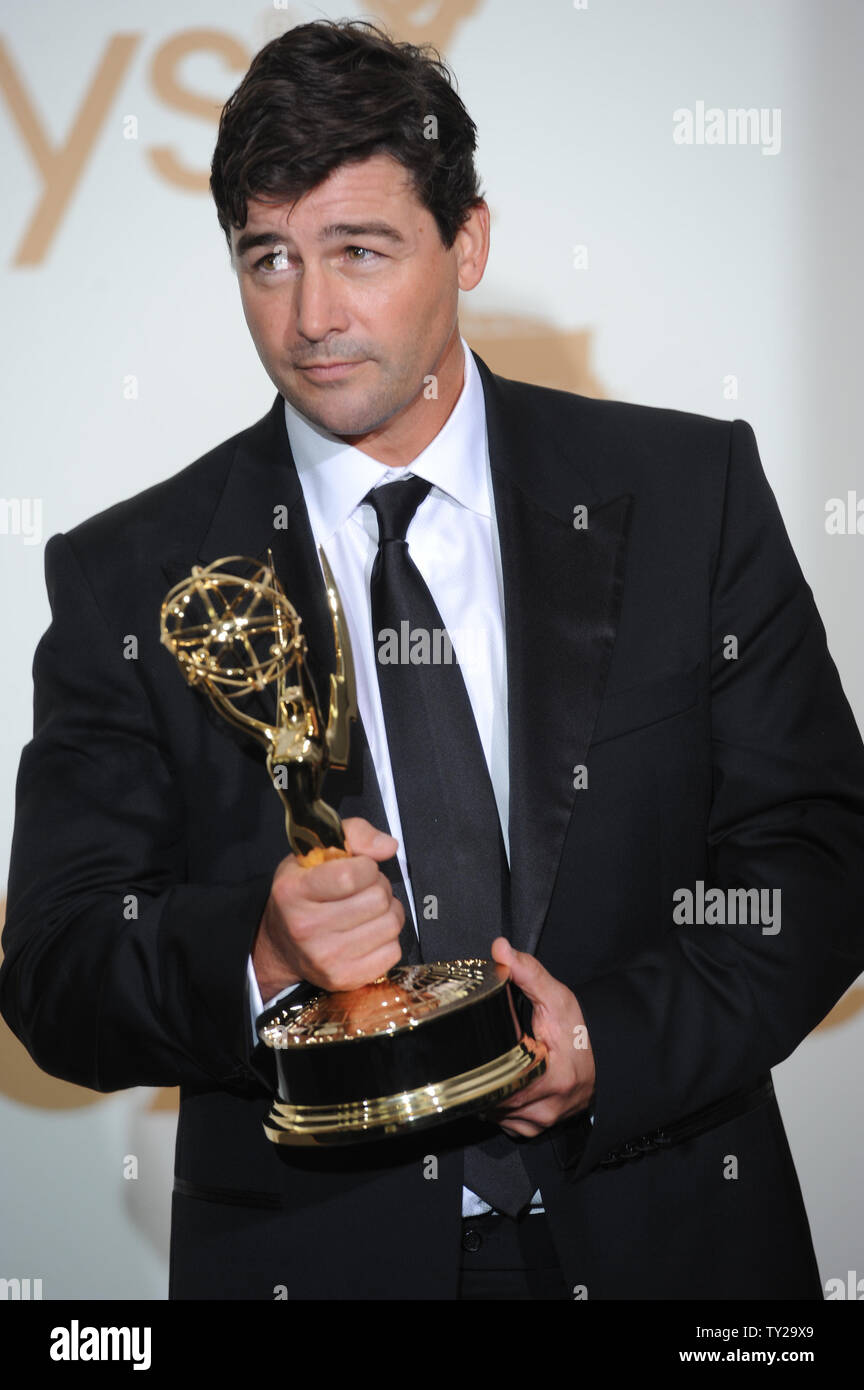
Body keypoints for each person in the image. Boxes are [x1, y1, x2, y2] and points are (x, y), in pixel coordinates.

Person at [2, 18, 863, 1301]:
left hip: (670, 1243)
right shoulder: (135, 572)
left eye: (359, 251)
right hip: (312, 1260)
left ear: (468, 241)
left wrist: (609, 1041)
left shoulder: (688, 493)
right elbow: (57, 966)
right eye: (269, 258)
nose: (310, 316)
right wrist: (259, 953)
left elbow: (823, 853)